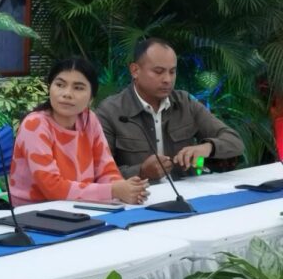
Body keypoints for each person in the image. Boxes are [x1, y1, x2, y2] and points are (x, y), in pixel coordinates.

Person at [96, 38, 244, 180]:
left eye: (172, 72)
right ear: (135, 70)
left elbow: (235, 142)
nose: (167, 79)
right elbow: (99, 173)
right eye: (158, 72)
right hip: (139, 198)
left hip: (189, 195)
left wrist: (206, 148)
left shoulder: (185, 103)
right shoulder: (110, 112)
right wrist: (141, 171)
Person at [9, 57, 149, 205]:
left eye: (78, 87)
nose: (67, 93)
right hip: (34, 211)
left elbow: (106, 170)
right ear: (49, 87)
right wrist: (113, 190)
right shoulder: (34, 125)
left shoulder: (89, 119)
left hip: (81, 206)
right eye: (60, 85)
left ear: (91, 98)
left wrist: (126, 190)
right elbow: (52, 188)